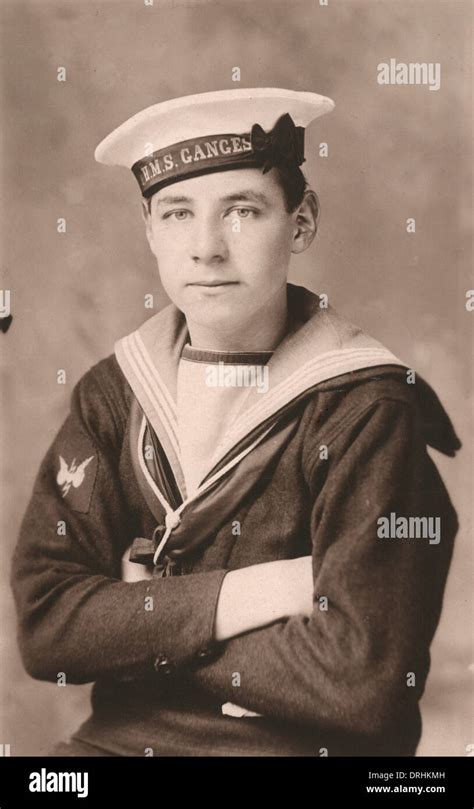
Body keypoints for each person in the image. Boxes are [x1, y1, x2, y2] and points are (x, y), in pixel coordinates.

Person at [11, 88, 460, 757]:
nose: (206, 249)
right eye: (178, 212)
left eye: (243, 211)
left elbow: (362, 683)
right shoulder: (115, 393)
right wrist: (268, 590)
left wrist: (142, 623)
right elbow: (49, 628)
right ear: (150, 229)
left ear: (301, 221)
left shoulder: (364, 405)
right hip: (120, 745)